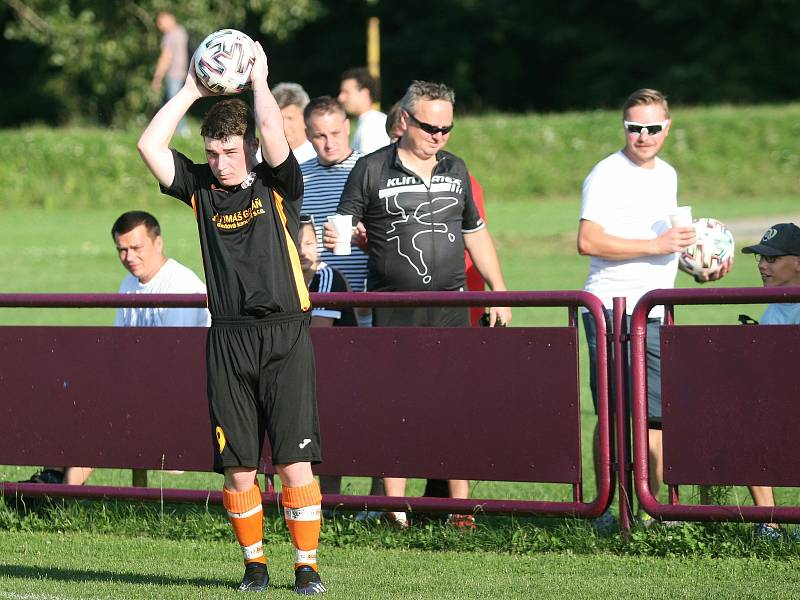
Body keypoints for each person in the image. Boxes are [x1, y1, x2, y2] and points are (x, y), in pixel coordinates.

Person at [137, 40, 325, 595]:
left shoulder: (277, 184)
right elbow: (149, 144)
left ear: (249, 149)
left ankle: (307, 567)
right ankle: (254, 564)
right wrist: (193, 89)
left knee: (294, 464)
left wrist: (260, 82)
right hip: (228, 337)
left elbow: (273, 133)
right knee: (238, 466)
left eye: (228, 152)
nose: (219, 162)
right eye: (212, 152)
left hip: (285, 333)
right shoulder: (199, 190)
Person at [324, 80, 512, 528]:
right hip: (394, 307)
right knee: (397, 408)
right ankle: (394, 512)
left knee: (455, 407)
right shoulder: (370, 169)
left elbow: (476, 232)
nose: (440, 137)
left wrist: (498, 290)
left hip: (451, 306)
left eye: (447, 128)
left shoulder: (456, 167)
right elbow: (343, 222)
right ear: (405, 121)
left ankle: (460, 511)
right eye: (431, 127)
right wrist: (340, 235)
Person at [576, 88, 730, 528]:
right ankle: (608, 509)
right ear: (623, 127)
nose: (643, 136)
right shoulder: (606, 174)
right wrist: (656, 245)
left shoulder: (667, 175)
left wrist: (701, 266)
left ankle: (655, 511)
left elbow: (671, 244)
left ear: (667, 127)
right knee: (614, 416)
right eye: (634, 128)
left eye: (652, 128)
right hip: (609, 308)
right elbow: (588, 240)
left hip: (654, 311)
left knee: (656, 417)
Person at [22, 211, 210, 486]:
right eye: (122, 250)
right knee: (75, 394)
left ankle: (60, 492)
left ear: (158, 243)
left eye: (136, 248)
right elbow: (120, 348)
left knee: (99, 416)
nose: (129, 257)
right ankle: (56, 482)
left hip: (183, 399)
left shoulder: (180, 283)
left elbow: (174, 361)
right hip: (145, 390)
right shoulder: (129, 284)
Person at [740, 222, 800, 539]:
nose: (763, 265)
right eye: (760, 258)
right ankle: (769, 523)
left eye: (772, 259)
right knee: (746, 417)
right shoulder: (776, 306)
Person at [150, 12, 189, 137]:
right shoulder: (181, 32)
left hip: (173, 74)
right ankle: (169, 130)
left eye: (160, 23)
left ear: (170, 20)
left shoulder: (170, 35)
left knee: (174, 103)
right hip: (182, 72)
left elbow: (165, 56)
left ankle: (182, 131)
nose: (159, 26)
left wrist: (157, 77)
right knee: (173, 102)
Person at [337, 67, 390, 154]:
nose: (340, 98)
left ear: (364, 93)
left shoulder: (373, 125)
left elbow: (370, 165)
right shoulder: (369, 122)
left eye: (346, 92)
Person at [271, 82, 317, 164]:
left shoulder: (318, 157)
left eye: (290, 118)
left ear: (305, 118)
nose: (284, 126)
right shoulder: (258, 158)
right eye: (278, 119)